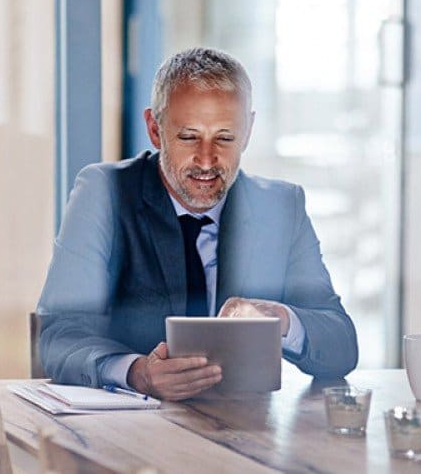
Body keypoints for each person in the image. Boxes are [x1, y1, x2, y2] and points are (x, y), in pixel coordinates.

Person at [37, 47, 358, 401]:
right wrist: (138, 372)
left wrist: (278, 317)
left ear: (248, 130)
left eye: (224, 137)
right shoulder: (106, 193)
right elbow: (58, 337)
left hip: (244, 433)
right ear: (155, 130)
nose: (207, 160)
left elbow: (341, 344)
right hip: (130, 436)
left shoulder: (281, 206)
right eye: (189, 137)